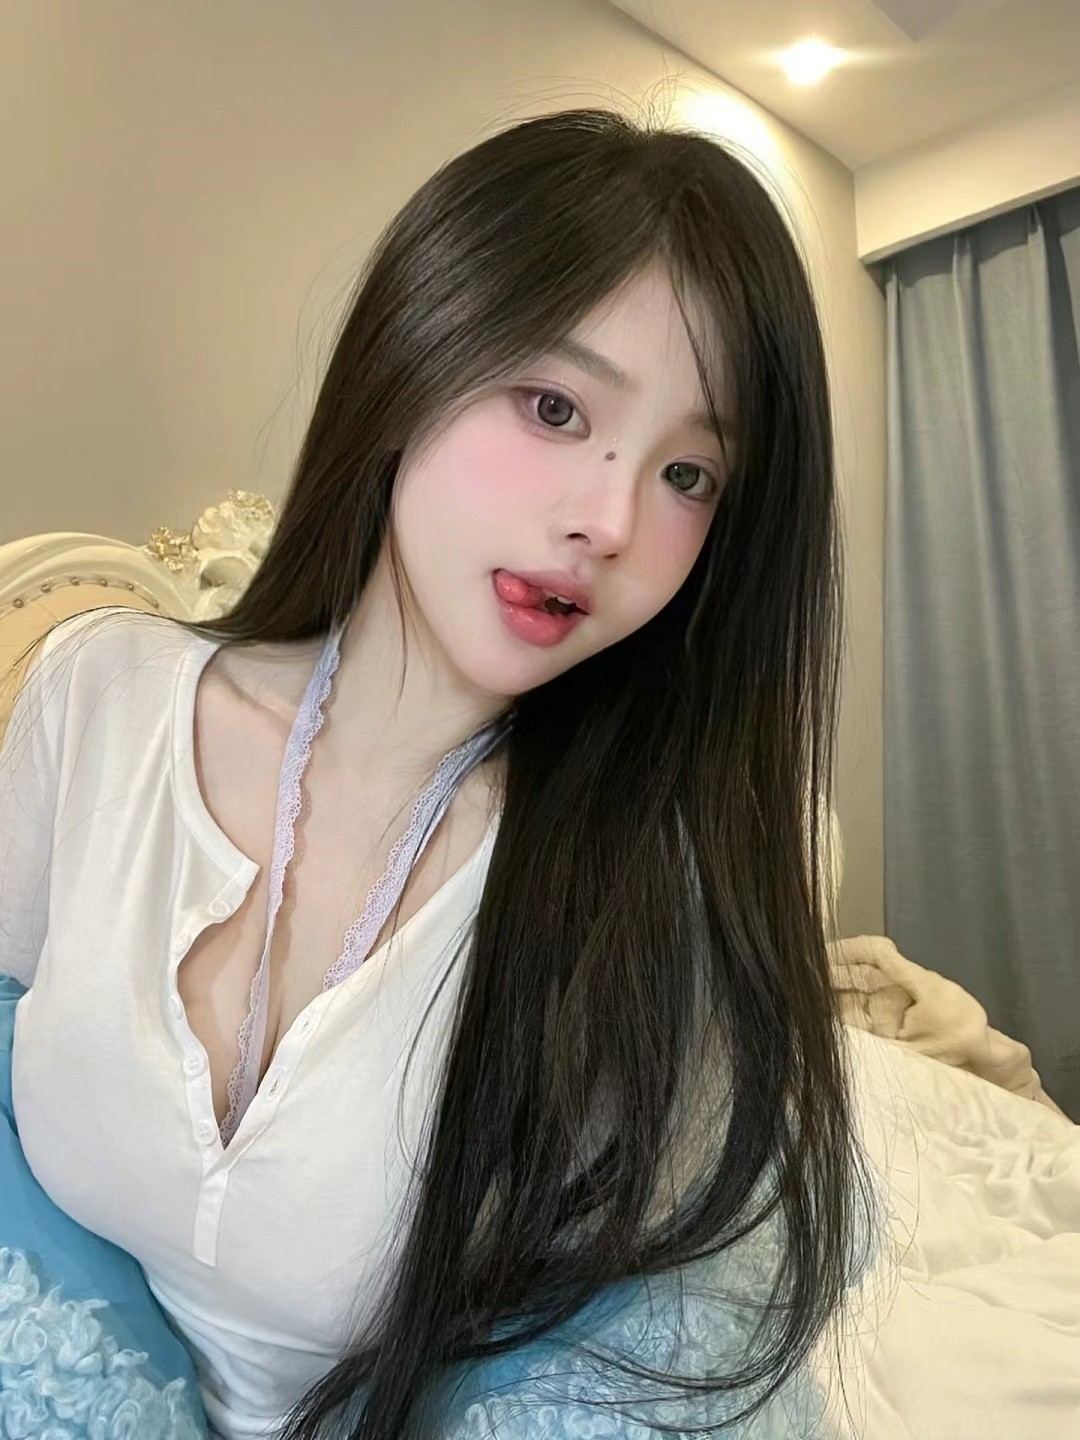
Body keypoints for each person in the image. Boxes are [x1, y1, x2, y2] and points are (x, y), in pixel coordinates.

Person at [0, 107, 881, 1439]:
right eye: (555, 406)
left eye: (690, 474)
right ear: (415, 352)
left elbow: (649, 1327)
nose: (608, 520)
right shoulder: (99, 696)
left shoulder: (648, 894)